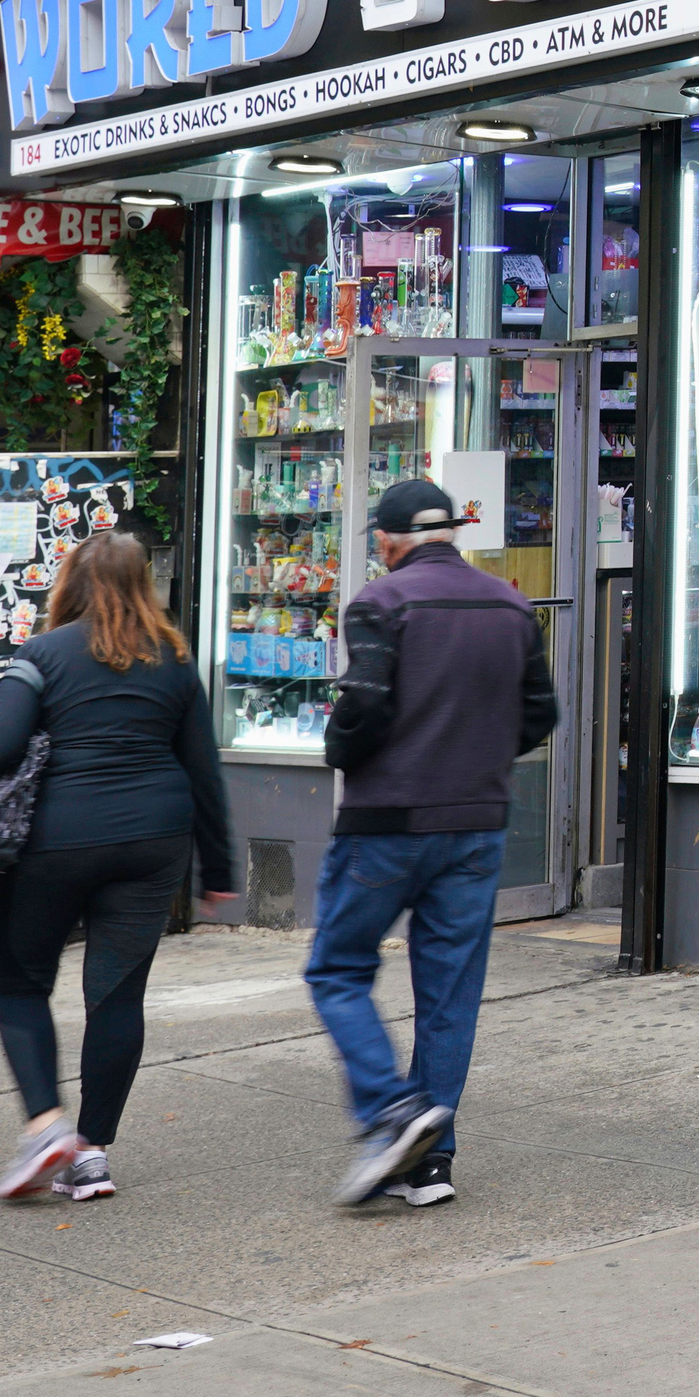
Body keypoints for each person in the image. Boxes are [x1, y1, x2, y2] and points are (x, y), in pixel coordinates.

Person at [308, 477, 555, 1210]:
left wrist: (340, 753)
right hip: (477, 822)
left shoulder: (381, 603)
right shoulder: (511, 605)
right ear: (451, 533)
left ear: (389, 542)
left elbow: (363, 709)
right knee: (450, 995)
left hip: (388, 823)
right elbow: (540, 712)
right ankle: (431, 1165)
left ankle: (393, 1112)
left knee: (337, 970)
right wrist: (481, 760)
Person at [0, 535, 238, 1206]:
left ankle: (46, 1127)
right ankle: (90, 1154)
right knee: (117, 996)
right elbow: (204, 770)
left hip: (56, 842)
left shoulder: (42, 654)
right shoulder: (175, 660)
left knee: (20, 985)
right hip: (154, 842)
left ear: (68, 585)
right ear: (143, 585)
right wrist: (217, 867)